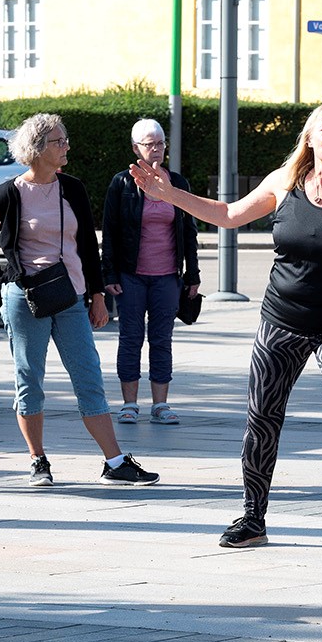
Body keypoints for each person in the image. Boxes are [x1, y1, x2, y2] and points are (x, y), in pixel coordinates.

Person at [130, 99, 322, 546]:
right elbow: (229, 215)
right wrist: (170, 195)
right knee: (262, 418)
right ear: (310, 138)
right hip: (282, 319)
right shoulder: (284, 182)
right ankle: (253, 517)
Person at [0, 113, 160, 488]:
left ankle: (114, 462)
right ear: (36, 149)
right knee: (29, 378)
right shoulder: (9, 192)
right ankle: (38, 461)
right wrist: (8, 274)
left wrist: (97, 296)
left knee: (88, 376)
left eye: (65, 140)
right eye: (58, 142)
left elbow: (87, 245)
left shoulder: (73, 188)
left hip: (70, 295)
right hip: (25, 297)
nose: (66, 147)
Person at [101, 118, 201, 426]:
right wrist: (110, 276)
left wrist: (192, 274)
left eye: (160, 144)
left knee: (162, 338)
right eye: (149, 144)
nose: (156, 150)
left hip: (168, 275)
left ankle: (161, 404)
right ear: (135, 148)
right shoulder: (121, 183)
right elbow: (111, 231)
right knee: (130, 337)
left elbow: (189, 230)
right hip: (131, 275)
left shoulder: (178, 183)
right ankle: (129, 404)